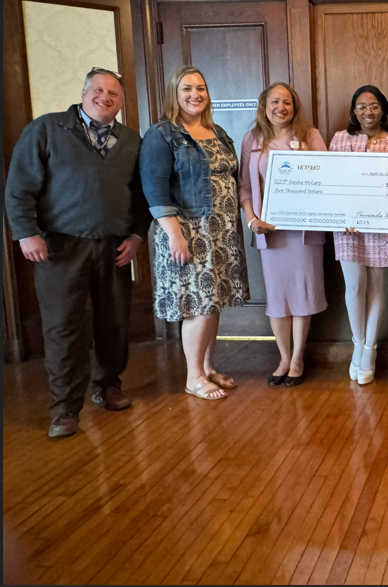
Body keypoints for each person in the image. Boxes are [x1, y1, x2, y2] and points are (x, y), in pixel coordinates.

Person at [4, 68, 149, 437]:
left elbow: (140, 196)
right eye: (98, 90)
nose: (105, 97)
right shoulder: (48, 129)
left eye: (113, 93)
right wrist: (26, 234)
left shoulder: (131, 140)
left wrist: (136, 235)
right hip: (59, 247)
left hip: (113, 247)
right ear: (84, 94)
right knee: (63, 328)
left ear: (121, 101)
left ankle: (108, 386)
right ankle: (65, 409)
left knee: (114, 323)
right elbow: (19, 187)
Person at [140, 65, 248, 401]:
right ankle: (194, 377)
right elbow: (154, 187)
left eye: (200, 88)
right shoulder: (162, 134)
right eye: (187, 88)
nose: (195, 95)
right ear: (175, 93)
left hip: (221, 231)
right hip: (188, 230)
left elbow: (233, 176)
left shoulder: (217, 131)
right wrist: (174, 233)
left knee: (213, 302)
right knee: (198, 304)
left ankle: (208, 366)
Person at [239, 82, 328, 387]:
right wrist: (251, 220)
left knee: (302, 294)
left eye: (287, 102)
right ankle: (283, 358)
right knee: (278, 297)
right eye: (275, 101)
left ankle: (299, 357)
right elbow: (245, 188)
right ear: (264, 105)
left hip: (303, 233)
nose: (281, 107)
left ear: (295, 106)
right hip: (270, 233)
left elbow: (327, 178)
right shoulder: (252, 139)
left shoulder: (309, 135)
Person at [329, 85, 388, 385]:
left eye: (373, 106)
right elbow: (331, 182)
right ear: (353, 112)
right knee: (354, 286)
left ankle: (371, 348)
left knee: (376, 287)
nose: (367, 111)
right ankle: (357, 344)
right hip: (347, 227)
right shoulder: (339, 139)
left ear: (383, 110)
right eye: (361, 106)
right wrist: (341, 214)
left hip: (381, 226)